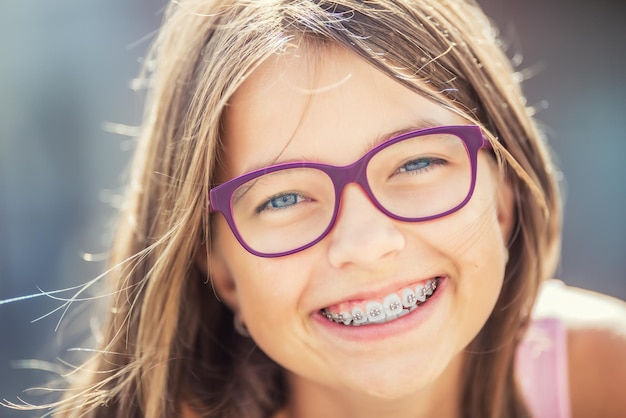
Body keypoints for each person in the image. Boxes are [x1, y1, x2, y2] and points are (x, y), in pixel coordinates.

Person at [7, 0, 626, 417]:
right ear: (220, 268)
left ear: (504, 196)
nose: (363, 243)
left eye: (416, 164)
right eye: (282, 197)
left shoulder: (604, 376)